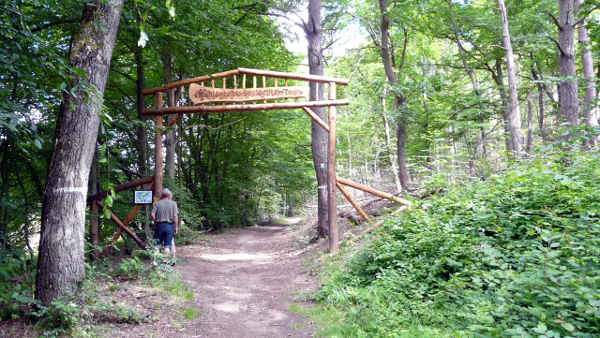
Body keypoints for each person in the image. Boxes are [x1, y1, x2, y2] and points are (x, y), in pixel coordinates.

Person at [151, 188, 179, 259]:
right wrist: (176, 227)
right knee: (167, 245)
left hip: (159, 226)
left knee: (156, 245)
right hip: (169, 226)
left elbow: (152, 214)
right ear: (169, 195)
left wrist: (155, 221)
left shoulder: (157, 203)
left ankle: (155, 262)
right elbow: (175, 216)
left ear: (162, 195)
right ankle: (166, 263)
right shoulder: (173, 203)